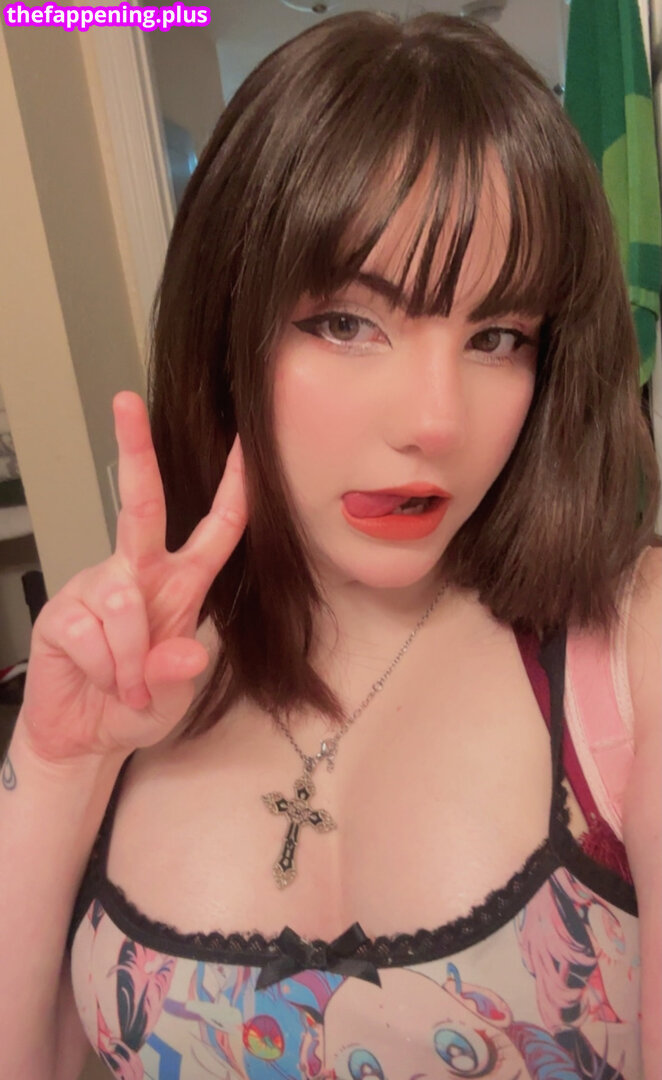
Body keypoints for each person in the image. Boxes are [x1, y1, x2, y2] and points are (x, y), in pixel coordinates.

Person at [1, 10, 660, 1080]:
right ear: (229, 331)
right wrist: (56, 764)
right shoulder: (140, 665)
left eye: (498, 337)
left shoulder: (630, 645)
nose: (435, 422)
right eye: (348, 322)